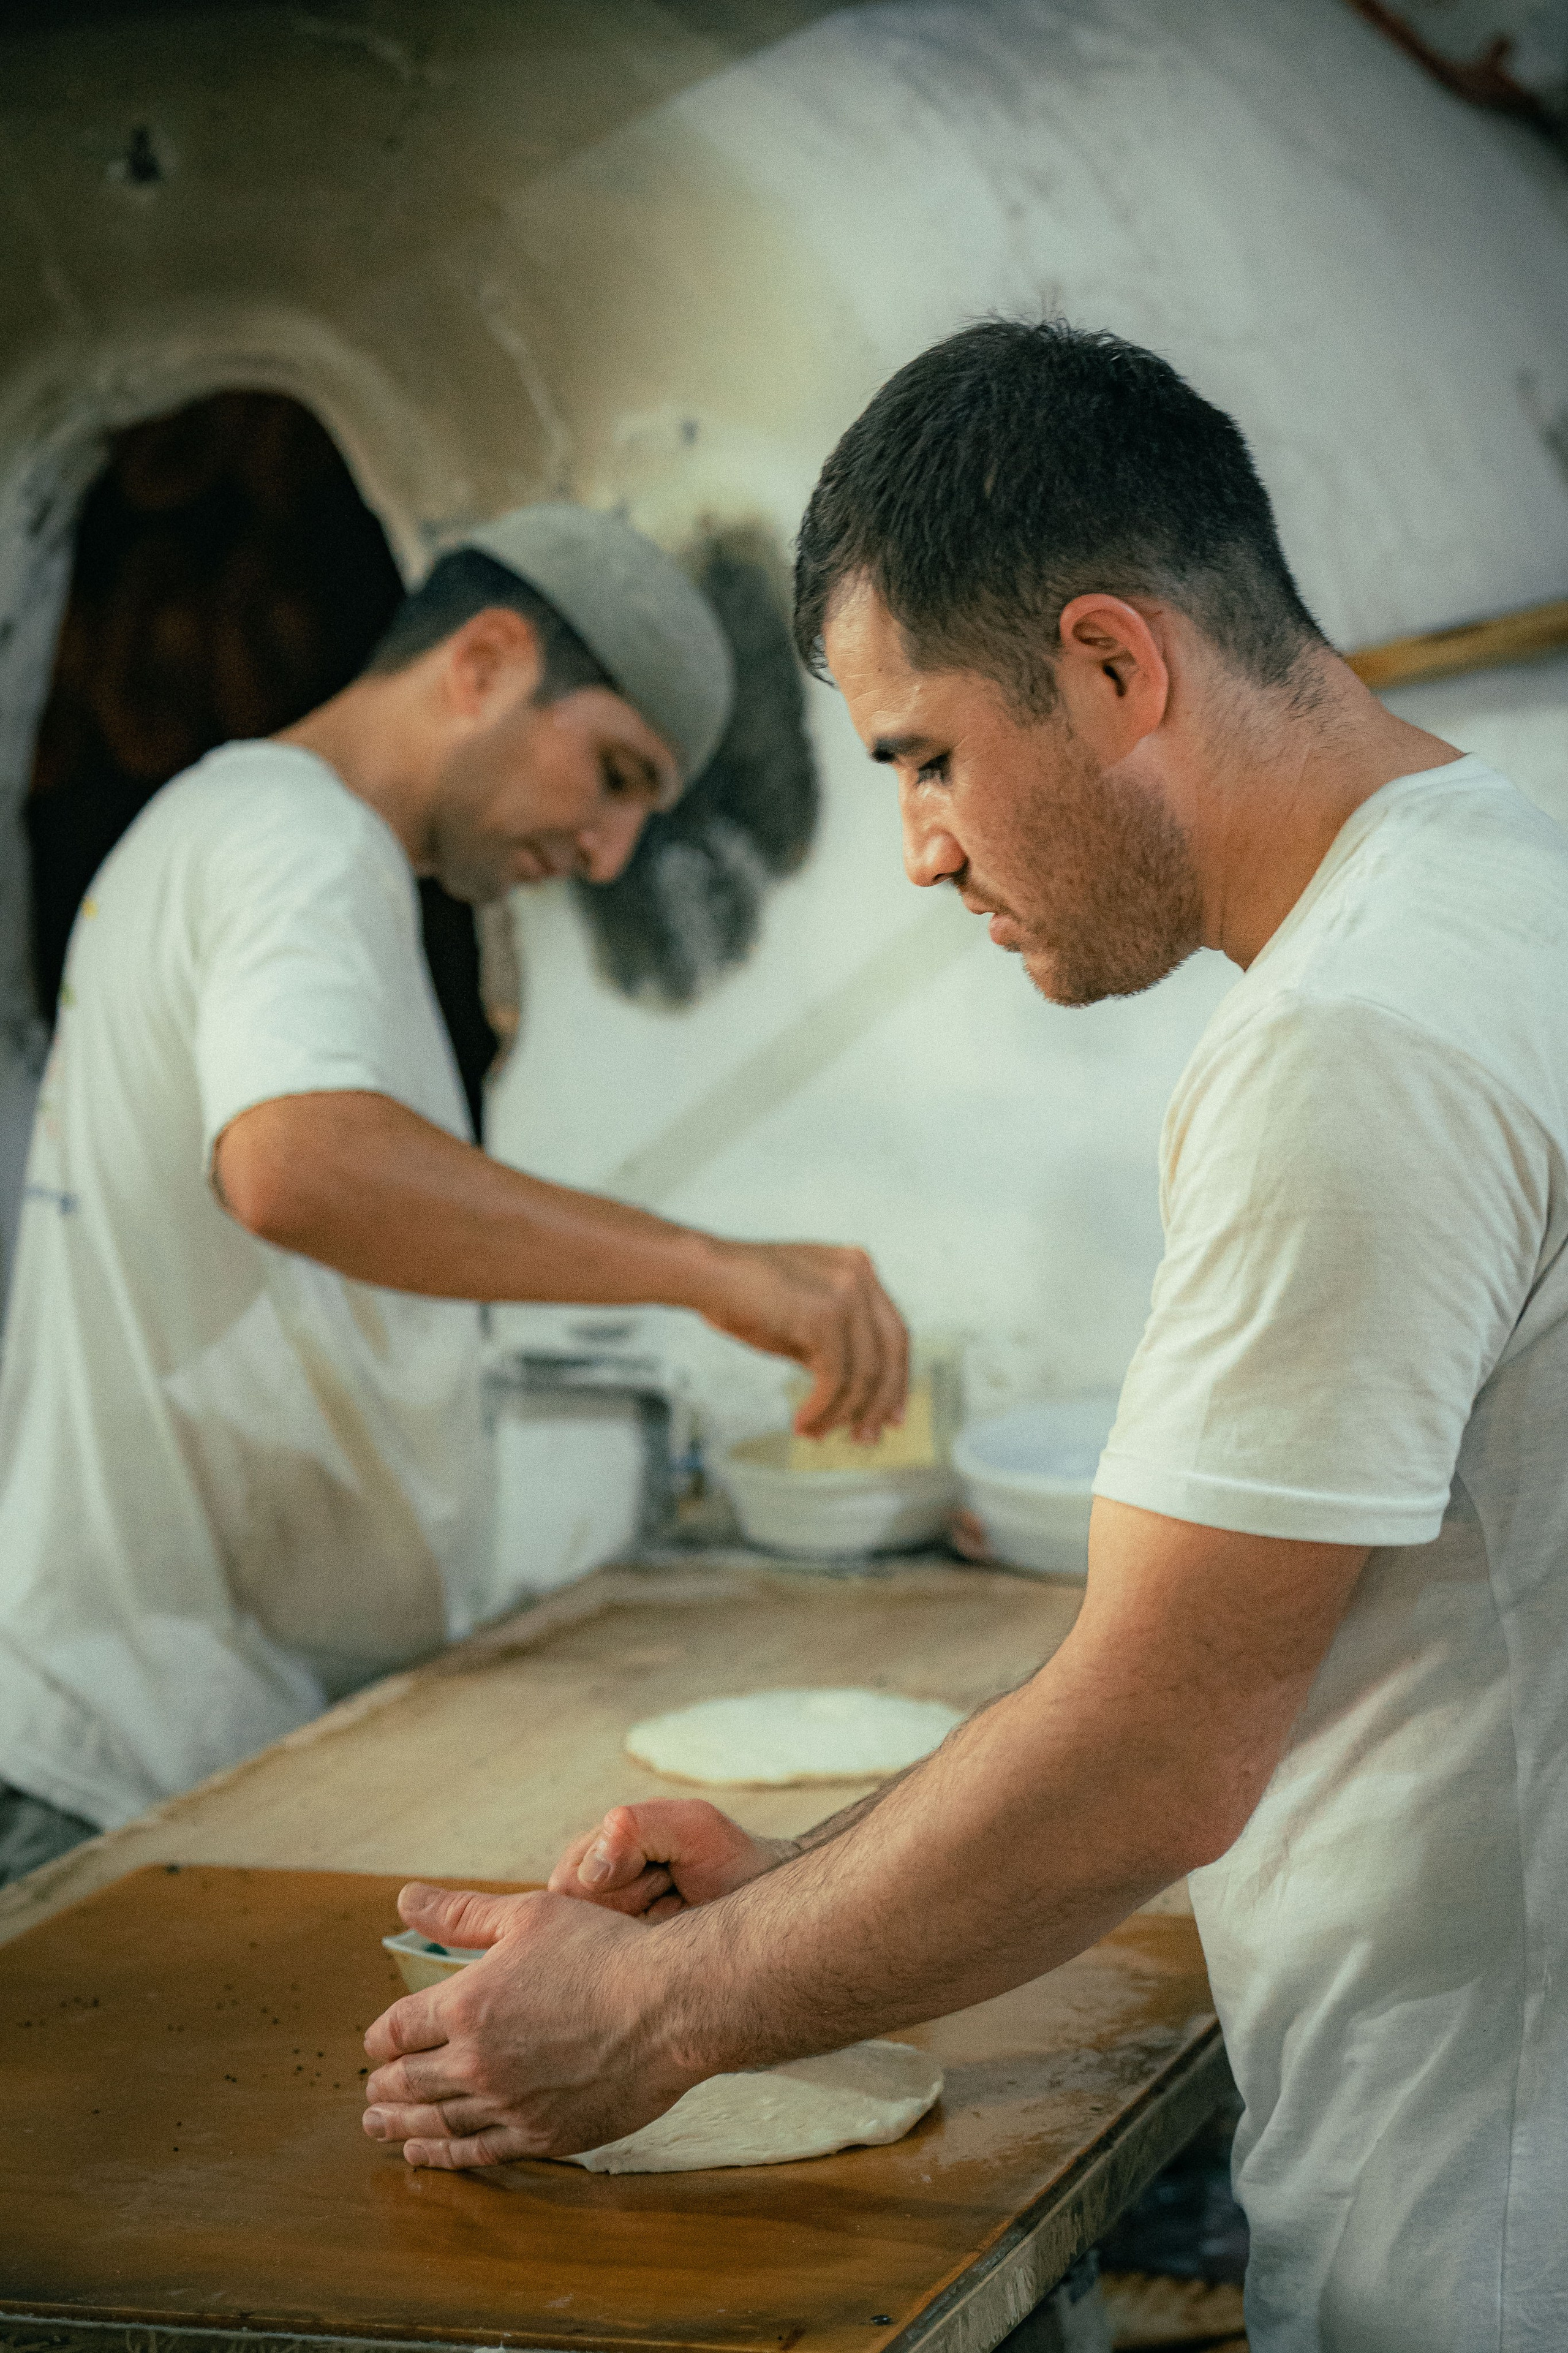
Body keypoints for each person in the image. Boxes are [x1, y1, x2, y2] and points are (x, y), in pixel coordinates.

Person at [358, 325, 1568, 2353]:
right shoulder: (1514, 886)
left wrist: (659, 2006)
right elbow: (1296, 1659)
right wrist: (797, 1891)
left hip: (1487, 2224)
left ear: (1112, 662)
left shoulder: (1349, 1041)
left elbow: (1156, 1747)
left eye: (923, 756)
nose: (921, 849)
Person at [0, 502, 907, 1883]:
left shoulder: (251, 834)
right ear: (484, 661)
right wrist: (709, 1265)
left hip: (165, 1722)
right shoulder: (296, 838)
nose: (606, 853)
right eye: (611, 773)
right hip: (117, 1744)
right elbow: (294, 1162)